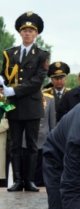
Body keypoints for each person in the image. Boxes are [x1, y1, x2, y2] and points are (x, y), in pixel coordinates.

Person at [0, 12, 50, 192]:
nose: (27, 33)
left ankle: (29, 180)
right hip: (13, 105)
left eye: (31, 30)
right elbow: (4, 74)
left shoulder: (42, 55)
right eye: (25, 30)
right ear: (20, 33)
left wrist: (14, 90)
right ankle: (18, 180)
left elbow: (38, 80)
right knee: (14, 145)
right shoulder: (10, 53)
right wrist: (2, 83)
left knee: (31, 145)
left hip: (32, 105)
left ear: (36, 34)